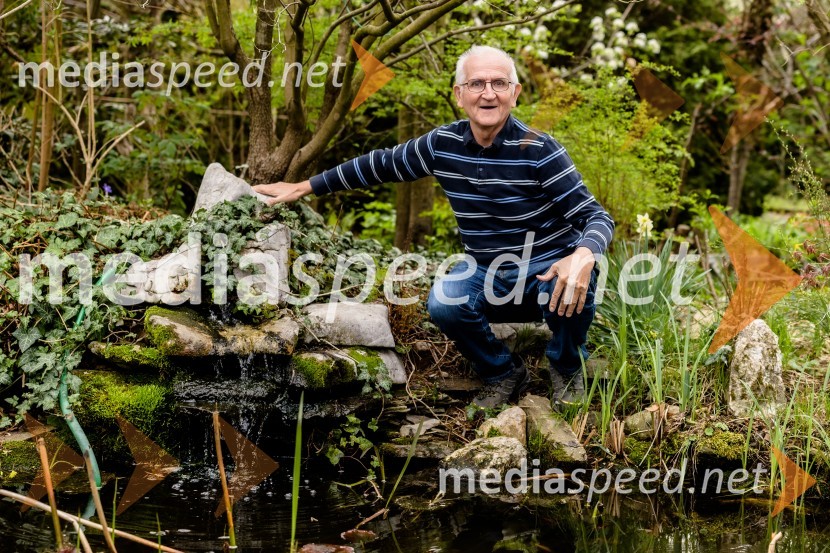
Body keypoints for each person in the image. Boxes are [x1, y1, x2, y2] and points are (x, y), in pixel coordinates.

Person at [253, 45, 614, 411]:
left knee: (575, 279)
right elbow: (381, 164)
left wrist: (581, 256)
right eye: (476, 83)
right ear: (459, 95)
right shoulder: (443, 145)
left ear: (515, 93)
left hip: (545, 271)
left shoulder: (539, 150)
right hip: (488, 273)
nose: (488, 93)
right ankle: (502, 372)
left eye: (499, 83)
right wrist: (304, 186)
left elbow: (597, 217)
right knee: (444, 302)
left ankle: (567, 365)